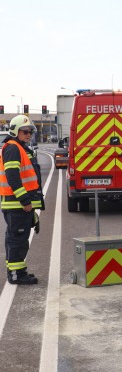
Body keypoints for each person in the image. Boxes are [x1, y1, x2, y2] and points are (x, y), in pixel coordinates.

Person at [0, 115, 43, 285]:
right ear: (15, 131)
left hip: (19, 205)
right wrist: (25, 201)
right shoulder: (13, 149)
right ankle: (16, 275)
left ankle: (18, 270)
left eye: (31, 132)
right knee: (17, 240)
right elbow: (13, 177)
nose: (29, 134)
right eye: (25, 131)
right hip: (17, 204)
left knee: (19, 239)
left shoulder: (19, 148)